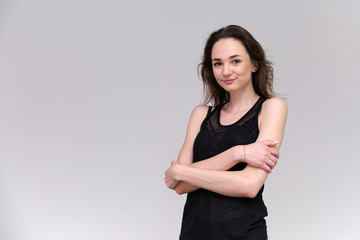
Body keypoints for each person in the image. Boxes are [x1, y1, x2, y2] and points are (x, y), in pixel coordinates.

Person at [164, 25, 287, 240]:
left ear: (255, 64)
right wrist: (238, 153)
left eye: (235, 61)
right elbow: (181, 187)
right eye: (218, 64)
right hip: (194, 233)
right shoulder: (201, 114)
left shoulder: (272, 107)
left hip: (244, 234)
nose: (226, 71)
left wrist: (183, 171)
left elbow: (249, 185)